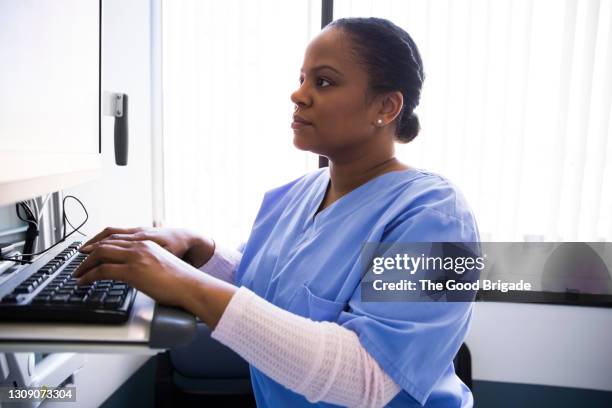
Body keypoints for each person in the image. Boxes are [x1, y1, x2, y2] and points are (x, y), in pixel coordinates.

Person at [74, 17, 479, 407]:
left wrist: (184, 283)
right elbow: (265, 288)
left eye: (323, 81)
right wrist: (200, 250)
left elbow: (369, 378)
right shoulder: (295, 195)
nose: (299, 95)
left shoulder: (439, 217)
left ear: (387, 107)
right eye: (302, 79)